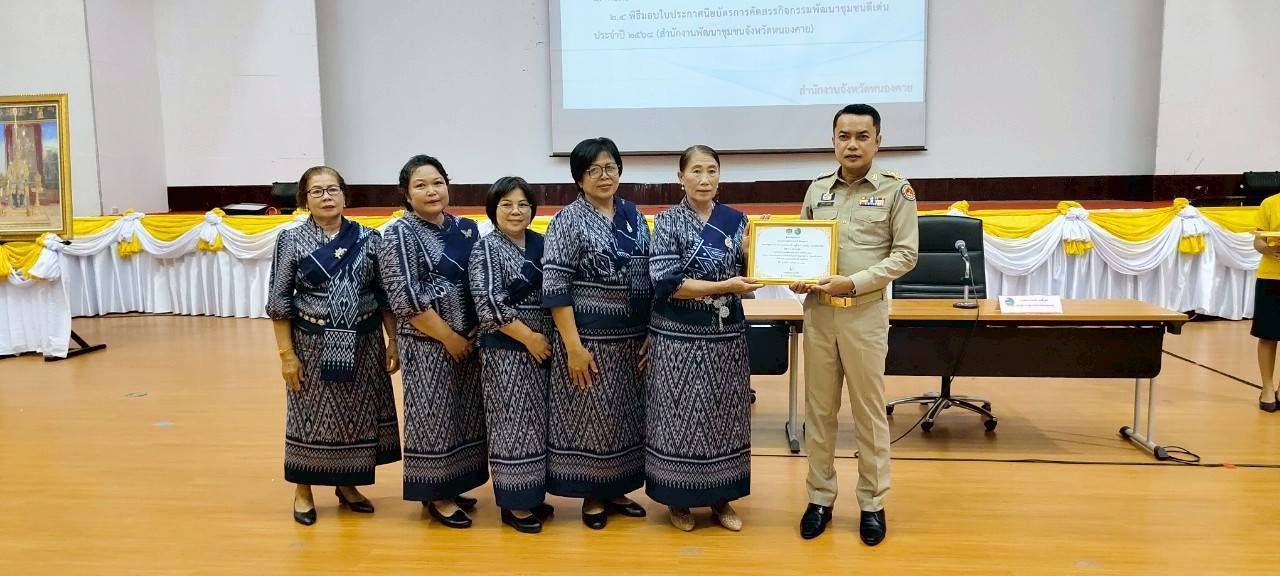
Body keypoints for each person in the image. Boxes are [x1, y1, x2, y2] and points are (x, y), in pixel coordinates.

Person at [789, 104, 919, 546]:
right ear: (833, 140)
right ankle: (820, 499)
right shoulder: (817, 190)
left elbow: (905, 254)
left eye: (862, 136)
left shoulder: (895, 191)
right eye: (844, 136)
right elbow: (802, 245)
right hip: (820, 315)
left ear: (878, 141)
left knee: (868, 414)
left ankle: (872, 503)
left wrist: (854, 282)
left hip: (864, 315)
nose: (852, 144)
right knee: (819, 412)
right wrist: (797, 277)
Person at [266, 166, 401, 526]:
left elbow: (385, 296)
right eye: (317, 192)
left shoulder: (371, 239)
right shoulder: (291, 241)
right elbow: (278, 302)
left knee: (355, 416)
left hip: (364, 341)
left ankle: (347, 486)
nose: (326, 197)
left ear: (344, 195)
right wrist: (286, 355)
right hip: (311, 343)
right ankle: (303, 489)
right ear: (304, 200)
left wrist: (394, 340)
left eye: (332, 190)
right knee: (309, 417)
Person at [645, 145, 762, 532]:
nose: (705, 179)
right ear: (681, 177)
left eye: (712, 170)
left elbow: (752, 274)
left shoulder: (738, 220)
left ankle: (720, 498)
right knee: (677, 415)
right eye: (695, 171)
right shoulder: (666, 222)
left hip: (726, 336)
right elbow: (667, 283)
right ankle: (678, 501)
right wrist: (726, 284)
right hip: (677, 336)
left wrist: (753, 255)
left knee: (723, 415)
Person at [542, 137, 652, 529]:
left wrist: (650, 331)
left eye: (611, 168)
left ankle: (616, 487)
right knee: (591, 415)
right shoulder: (567, 221)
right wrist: (572, 346)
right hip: (587, 337)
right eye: (594, 170)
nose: (604, 177)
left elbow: (649, 275)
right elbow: (555, 287)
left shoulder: (634, 215)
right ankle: (592, 494)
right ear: (579, 177)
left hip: (632, 336)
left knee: (624, 413)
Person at [378, 155, 486, 528]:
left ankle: (452, 485)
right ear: (406, 195)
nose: (431, 191)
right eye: (421, 185)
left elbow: (479, 281)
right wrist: (449, 337)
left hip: (469, 342)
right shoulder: (396, 234)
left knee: (463, 415)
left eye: (437, 182)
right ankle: (435, 494)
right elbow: (404, 299)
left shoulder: (465, 229)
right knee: (432, 415)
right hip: (428, 344)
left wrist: (471, 331)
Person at [467, 176, 557, 533]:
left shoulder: (543, 243)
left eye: (522, 204)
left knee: (537, 422)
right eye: (507, 204)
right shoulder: (484, 249)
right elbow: (489, 304)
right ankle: (513, 503)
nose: (516, 211)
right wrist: (529, 338)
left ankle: (532, 494)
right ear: (493, 210)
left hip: (545, 348)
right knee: (512, 422)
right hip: (507, 349)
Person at [1252, 192, 1280, 412]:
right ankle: (1267, 387)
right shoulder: (1270, 203)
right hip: (1271, 277)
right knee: (1268, 335)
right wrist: (1270, 249)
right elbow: (1258, 241)